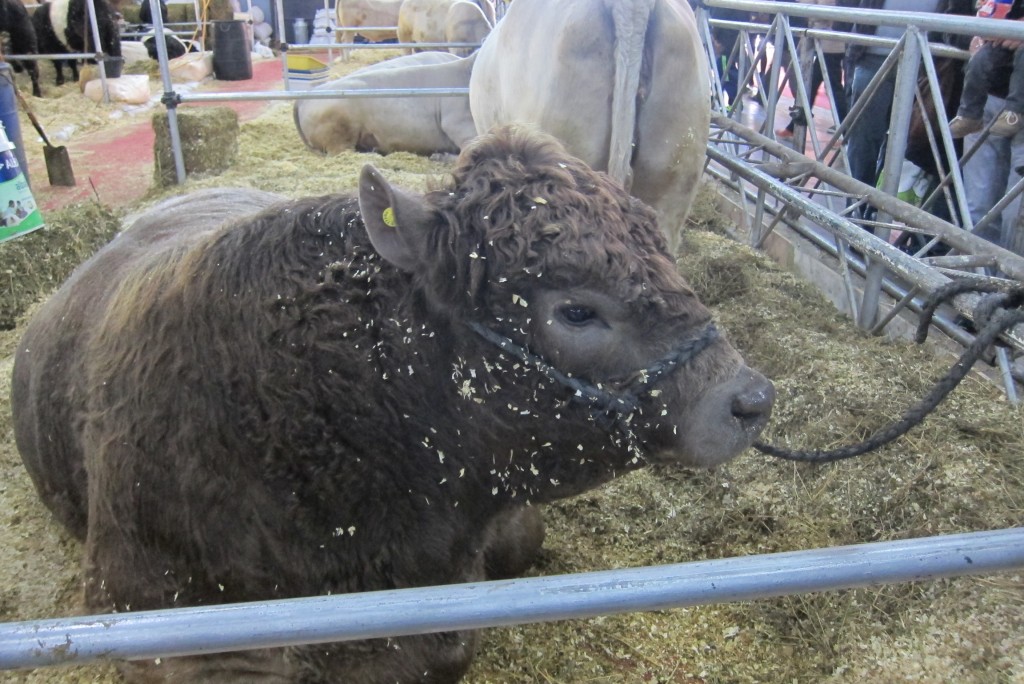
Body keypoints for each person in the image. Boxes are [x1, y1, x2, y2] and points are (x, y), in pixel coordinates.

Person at [844, 0, 973, 192]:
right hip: (872, 55)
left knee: (904, 141)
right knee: (864, 140)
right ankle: (856, 207)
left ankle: (877, 206)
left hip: (925, 63)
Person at [948, 0, 1024, 138]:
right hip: (989, 93)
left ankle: (1014, 112)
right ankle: (969, 115)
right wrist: (976, 36)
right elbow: (949, 22)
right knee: (981, 59)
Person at [777, 0, 850, 139]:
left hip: (829, 45)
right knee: (812, 87)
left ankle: (846, 132)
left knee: (833, 89)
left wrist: (809, 10)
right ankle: (794, 127)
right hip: (822, 43)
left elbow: (826, 12)